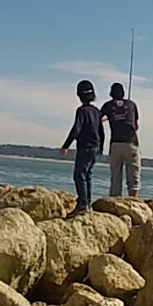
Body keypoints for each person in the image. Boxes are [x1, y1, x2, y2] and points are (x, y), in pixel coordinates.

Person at [59, 79, 105, 216]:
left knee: (79, 175)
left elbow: (76, 129)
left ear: (79, 95)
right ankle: (87, 203)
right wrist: (101, 148)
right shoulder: (96, 111)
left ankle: (83, 205)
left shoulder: (81, 111)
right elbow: (101, 130)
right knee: (88, 175)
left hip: (85, 146)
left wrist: (66, 145)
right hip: (95, 146)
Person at [100, 82, 141, 197]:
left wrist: (110, 119)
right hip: (131, 141)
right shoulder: (132, 104)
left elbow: (97, 119)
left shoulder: (107, 105)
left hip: (115, 143)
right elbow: (136, 126)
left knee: (116, 175)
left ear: (111, 94)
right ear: (123, 93)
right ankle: (133, 198)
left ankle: (114, 198)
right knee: (133, 172)